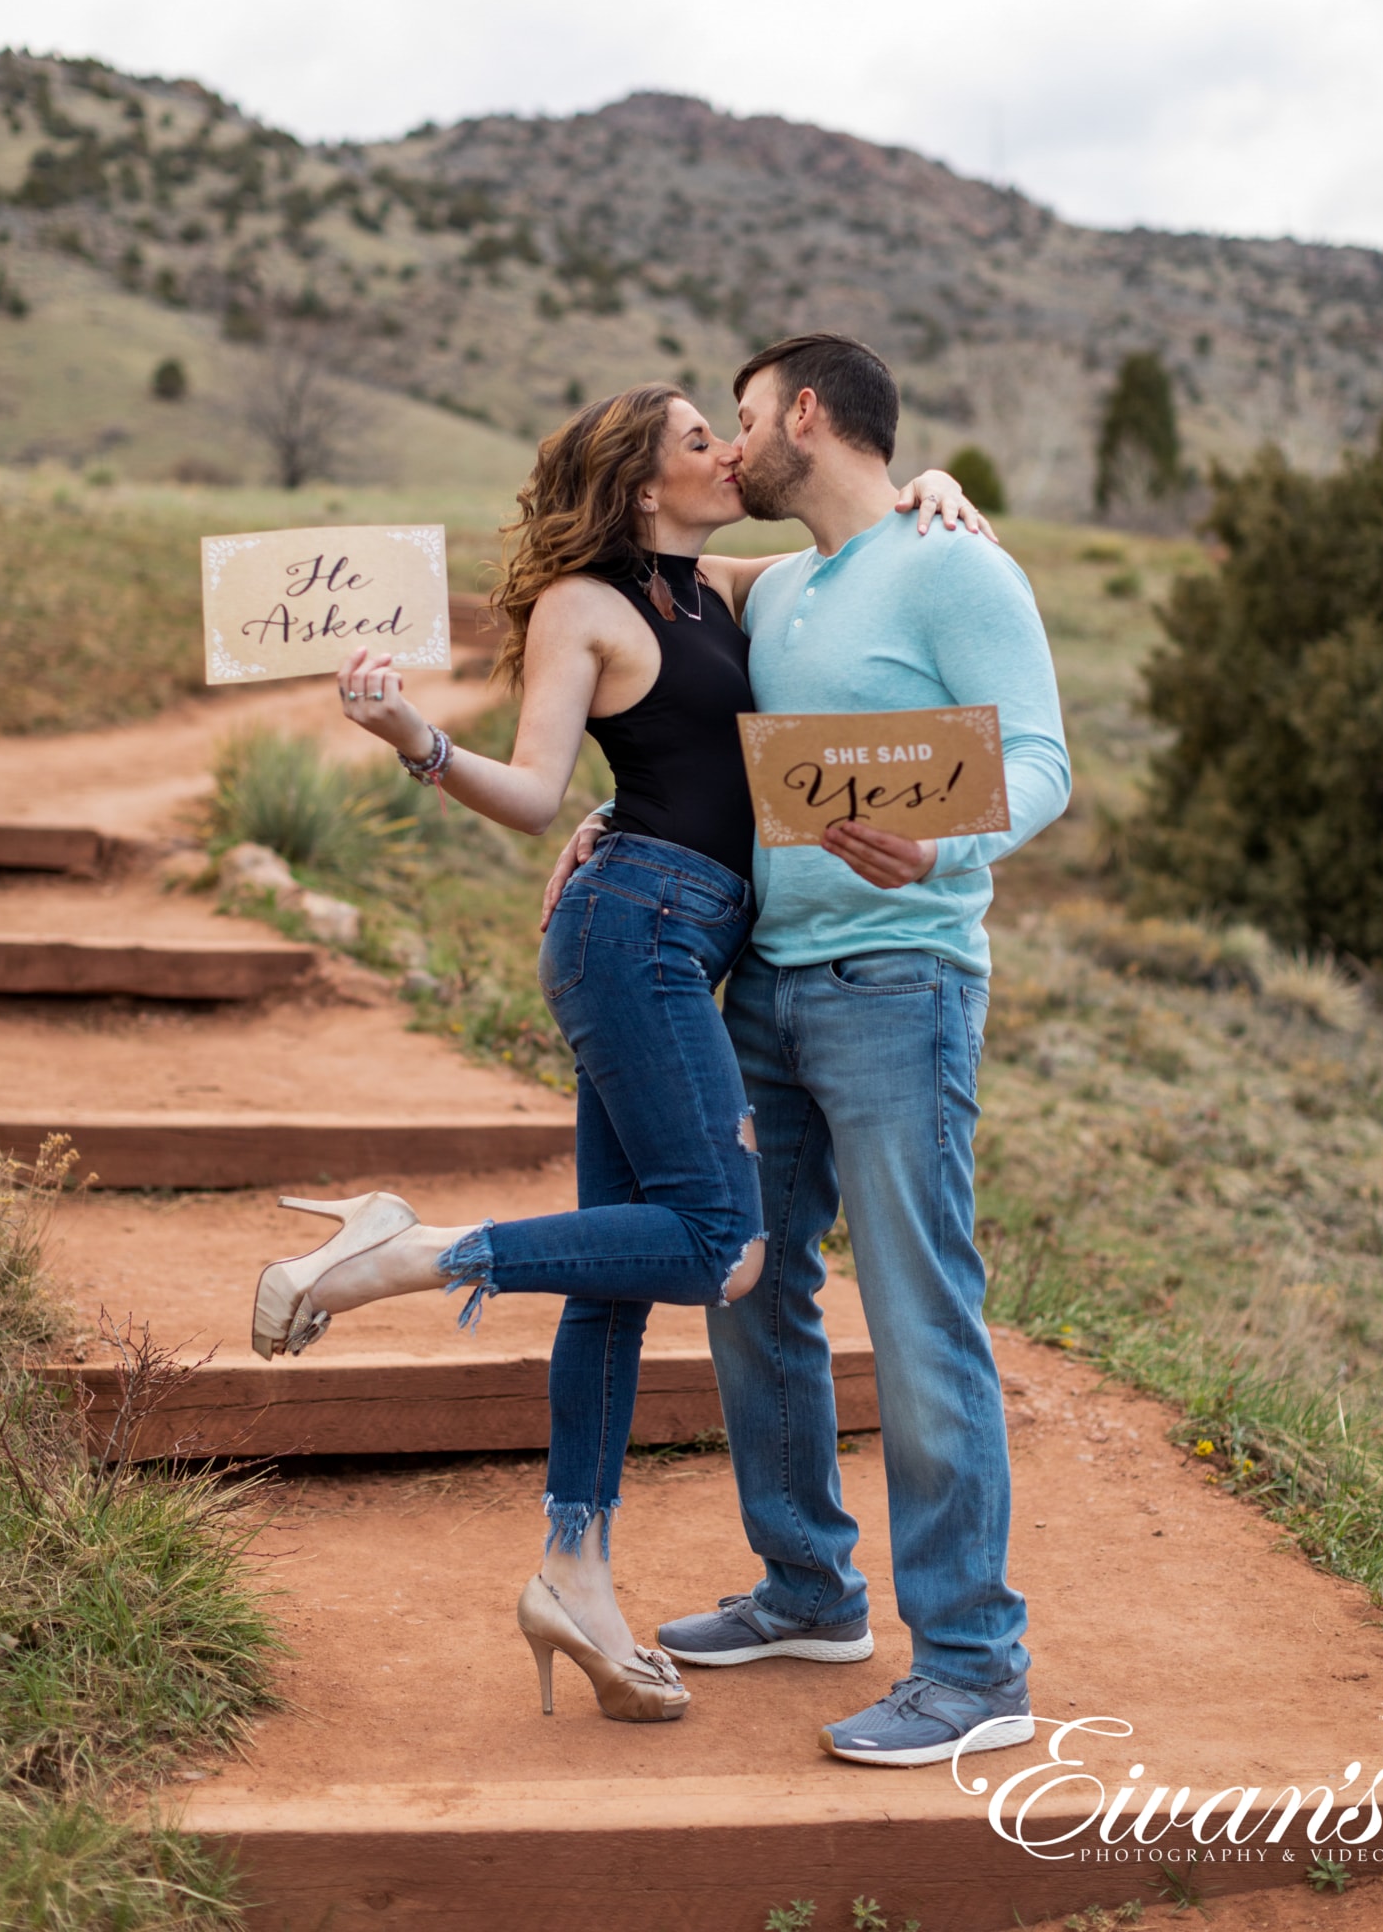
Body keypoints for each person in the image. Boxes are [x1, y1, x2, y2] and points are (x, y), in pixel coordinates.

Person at [248, 382, 979, 1726]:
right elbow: (533, 796)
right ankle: (413, 1254)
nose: (732, 450)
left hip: (677, 934)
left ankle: (574, 1571)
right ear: (646, 484)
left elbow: (855, 537)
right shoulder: (588, 606)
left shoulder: (729, 586)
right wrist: (413, 736)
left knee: (618, 1271)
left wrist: (929, 488)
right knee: (720, 1245)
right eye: (704, 437)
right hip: (633, 930)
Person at [546, 334, 1071, 1768]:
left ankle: (973, 1665)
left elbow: (1042, 759)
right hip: (766, 986)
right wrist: (614, 821)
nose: (732, 440)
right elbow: (677, 689)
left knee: (918, 1315)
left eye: (747, 415)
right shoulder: (781, 589)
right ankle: (806, 1588)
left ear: (810, 416)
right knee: (747, 1280)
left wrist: (946, 833)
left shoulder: (956, 566)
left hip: (903, 985)